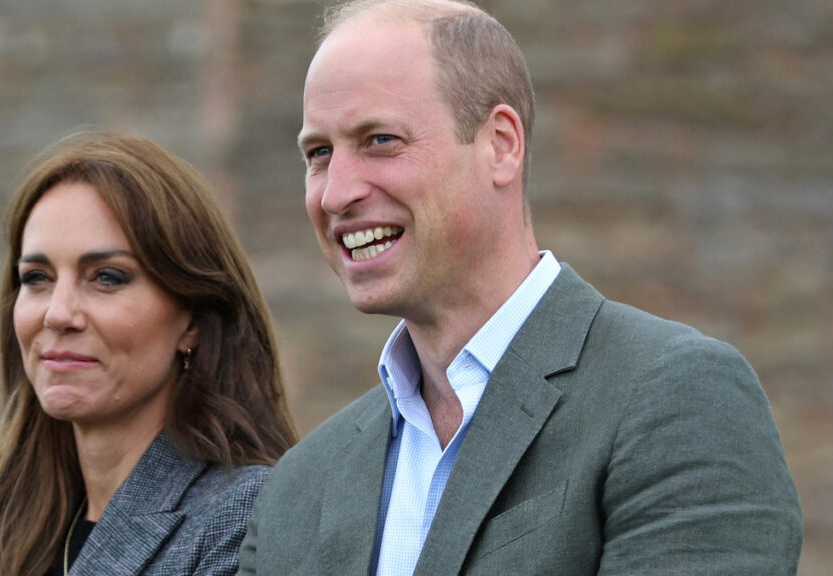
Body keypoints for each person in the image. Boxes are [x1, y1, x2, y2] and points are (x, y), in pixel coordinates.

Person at [238, 1, 802, 574]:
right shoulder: (296, 488)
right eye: (319, 153)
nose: (336, 194)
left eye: (380, 140)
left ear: (501, 145)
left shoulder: (675, 397)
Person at [0, 131, 298, 576]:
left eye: (107, 277)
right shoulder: (11, 521)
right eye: (37, 277)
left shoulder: (243, 520)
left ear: (191, 320)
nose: (58, 314)